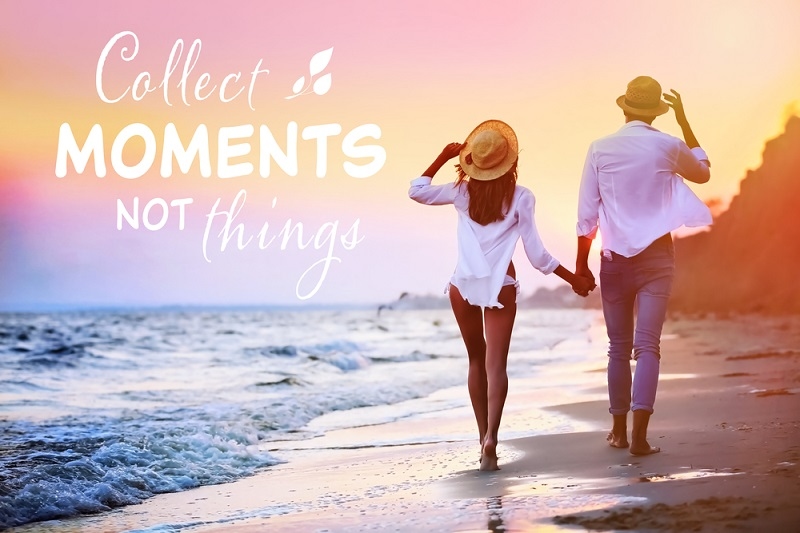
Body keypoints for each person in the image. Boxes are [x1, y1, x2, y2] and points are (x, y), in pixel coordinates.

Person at [409, 120, 595, 470]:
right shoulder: (522, 196)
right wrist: (573, 279)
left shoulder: (461, 192)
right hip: (501, 287)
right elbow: (537, 255)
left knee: (475, 361)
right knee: (496, 365)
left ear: (472, 162)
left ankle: (482, 439)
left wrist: (442, 155)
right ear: (509, 162)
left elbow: (416, 190)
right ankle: (493, 436)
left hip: (461, 286)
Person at [575, 76, 712, 456]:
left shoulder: (599, 148)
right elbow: (702, 171)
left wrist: (581, 267)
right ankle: (640, 436)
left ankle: (618, 432)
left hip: (614, 260)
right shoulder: (668, 145)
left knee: (618, 348)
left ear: (624, 108)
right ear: (657, 113)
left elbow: (586, 215)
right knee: (647, 346)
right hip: (656, 258)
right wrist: (685, 124)